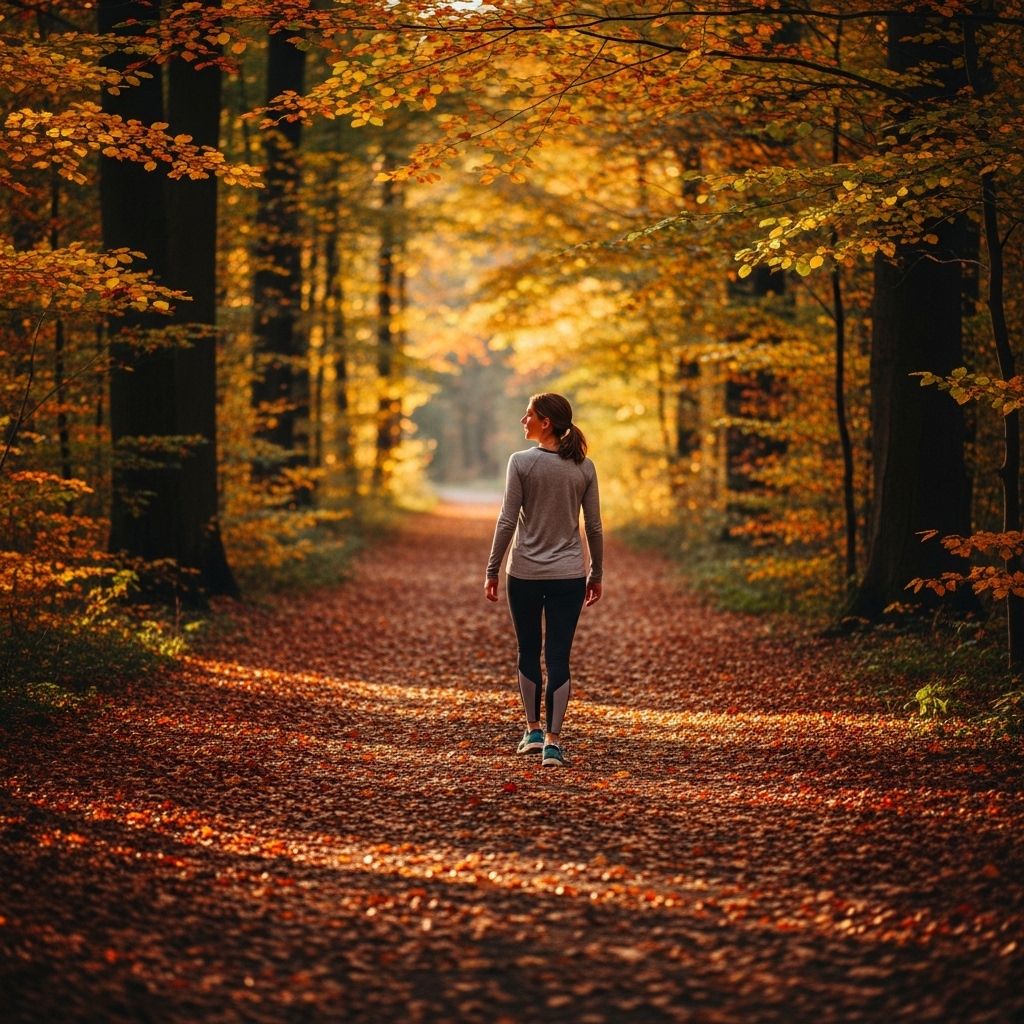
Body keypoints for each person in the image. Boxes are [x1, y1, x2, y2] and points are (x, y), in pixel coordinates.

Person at [484, 392, 603, 768]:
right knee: (558, 656)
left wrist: (491, 569)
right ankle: (553, 743)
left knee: (528, 650)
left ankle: (533, 731)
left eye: (529, 415)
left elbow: (507, 520)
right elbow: (594, 526)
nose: (523, 420)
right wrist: (596, 572)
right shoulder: (584, 467)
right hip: (569, 574)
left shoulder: (521, 463)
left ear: (545, 422)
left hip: (525, 573)